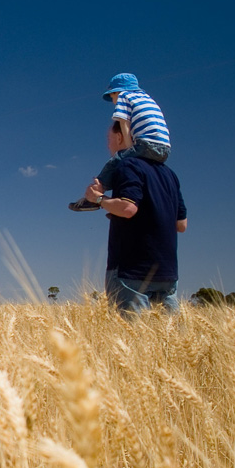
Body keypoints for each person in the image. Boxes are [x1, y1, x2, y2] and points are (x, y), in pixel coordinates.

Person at [83, 120, 187, 313]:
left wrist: (97, 198)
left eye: (108, 139)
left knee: (132, 332)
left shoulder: (127, 165)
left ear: (120, 137)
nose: (107, 145)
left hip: (132, 270)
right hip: (167, 272)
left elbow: (128, 208)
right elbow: (181, 225)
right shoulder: (170, 174)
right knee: (170, 332)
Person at [70, 72, 171, 211]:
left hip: (145, 144)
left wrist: (129, 149)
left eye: (112, 96)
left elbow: (124, 123)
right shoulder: (147, 98)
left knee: (116, 162)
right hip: (164, 148)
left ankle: (93, 197)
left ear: (116, 92)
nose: (113, 101)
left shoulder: (124, 96)